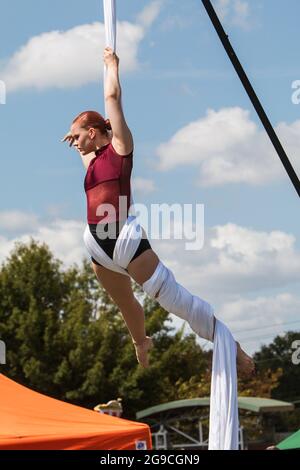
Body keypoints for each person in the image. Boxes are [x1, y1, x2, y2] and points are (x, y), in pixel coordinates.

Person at [62, 47, 254, 376]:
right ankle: (141, 343)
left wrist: (111, 66)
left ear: (93, 133)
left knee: (177, 301)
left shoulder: (121, 149)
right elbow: (89, 133)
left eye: (77, 136)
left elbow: (112, 96)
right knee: (126, 305)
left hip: (123, 237)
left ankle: (233, 348)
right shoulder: (91, 162)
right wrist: (76, 134)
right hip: (96, 245)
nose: (73, 142)